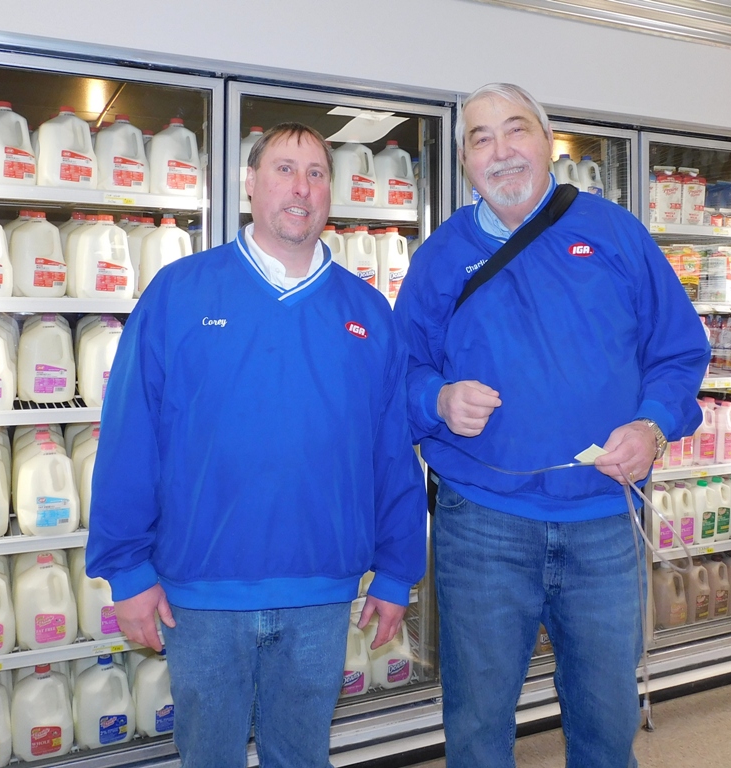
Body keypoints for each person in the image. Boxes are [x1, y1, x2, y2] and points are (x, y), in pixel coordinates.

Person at [86, 122, 427, 768]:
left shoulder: (366, 312)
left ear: (329, 191)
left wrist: (397, 569)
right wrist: (126, 571)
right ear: (250, 183)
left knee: (301, 757)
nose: (301, 187)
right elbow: (131, 436)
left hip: (321, 592)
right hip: (201, 595)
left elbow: (391, 453)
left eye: (316, 173)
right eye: (283, 170)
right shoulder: (180, 294)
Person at [393, 83, 710, 767]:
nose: (502, 150)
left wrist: (652, 427)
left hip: (604, 519)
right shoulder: (441, 256)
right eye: (481, 138)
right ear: (464, 161)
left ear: (547, 141)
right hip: (481, 523)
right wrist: (437, 400)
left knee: (606, 721)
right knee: (478, 725)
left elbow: (679, 352)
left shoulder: (614, 233)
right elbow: (400, 370)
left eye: (517, 130)